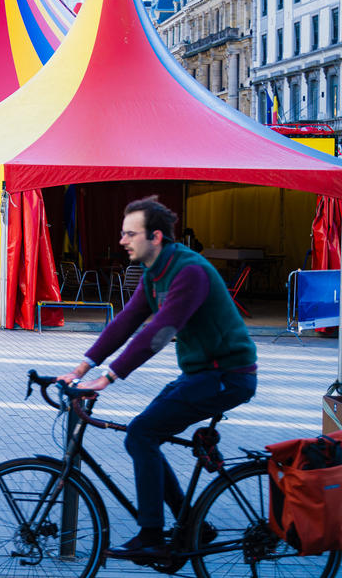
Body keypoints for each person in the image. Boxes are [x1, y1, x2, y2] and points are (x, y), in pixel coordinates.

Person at [57, 196, 257, 560]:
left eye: (130, 234)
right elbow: (126, 321)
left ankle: (151, 534)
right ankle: (194, 525)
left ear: (157, 237)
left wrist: (110, 376)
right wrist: (82, 367)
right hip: (201, 373)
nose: (122, 240)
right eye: (123, 233)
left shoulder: (189, 272)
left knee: (142, 433)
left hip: (229, 375)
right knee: (143, 434)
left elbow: (161, 332)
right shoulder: (155, 273)